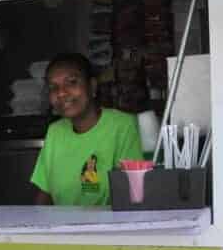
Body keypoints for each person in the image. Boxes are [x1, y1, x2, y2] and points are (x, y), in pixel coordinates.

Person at [32, 53, 142, 206]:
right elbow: (45, 193)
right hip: (62, 228)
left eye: (71, 82)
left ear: (92, 86)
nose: (61, 93)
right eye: (53, 87)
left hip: (107, 228)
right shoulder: (55, 132)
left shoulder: (123, 126)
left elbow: (136, 195)